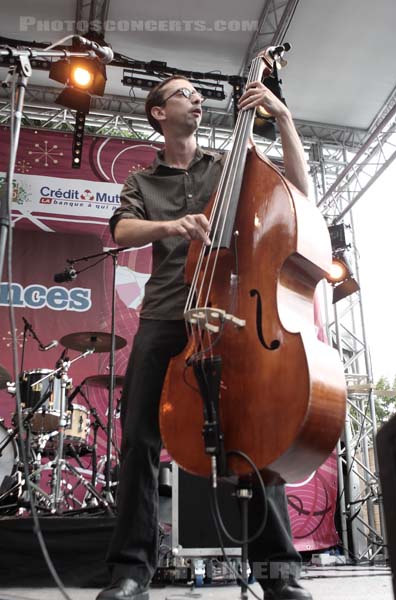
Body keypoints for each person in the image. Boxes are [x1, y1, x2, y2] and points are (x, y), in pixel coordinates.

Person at [97, 74, 313, 600]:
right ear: (157, 113)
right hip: (168, 313)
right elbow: (122, 230)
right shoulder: (142, 182)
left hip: (233, 315)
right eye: (182, 94)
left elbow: (300, 195)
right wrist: (171, 227)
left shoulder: (229, 166)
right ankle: (131, 571)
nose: (195, 99)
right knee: (140, 441)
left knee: (258, 434)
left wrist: (281, 117)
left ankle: (278, 573)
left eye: (198, 94)